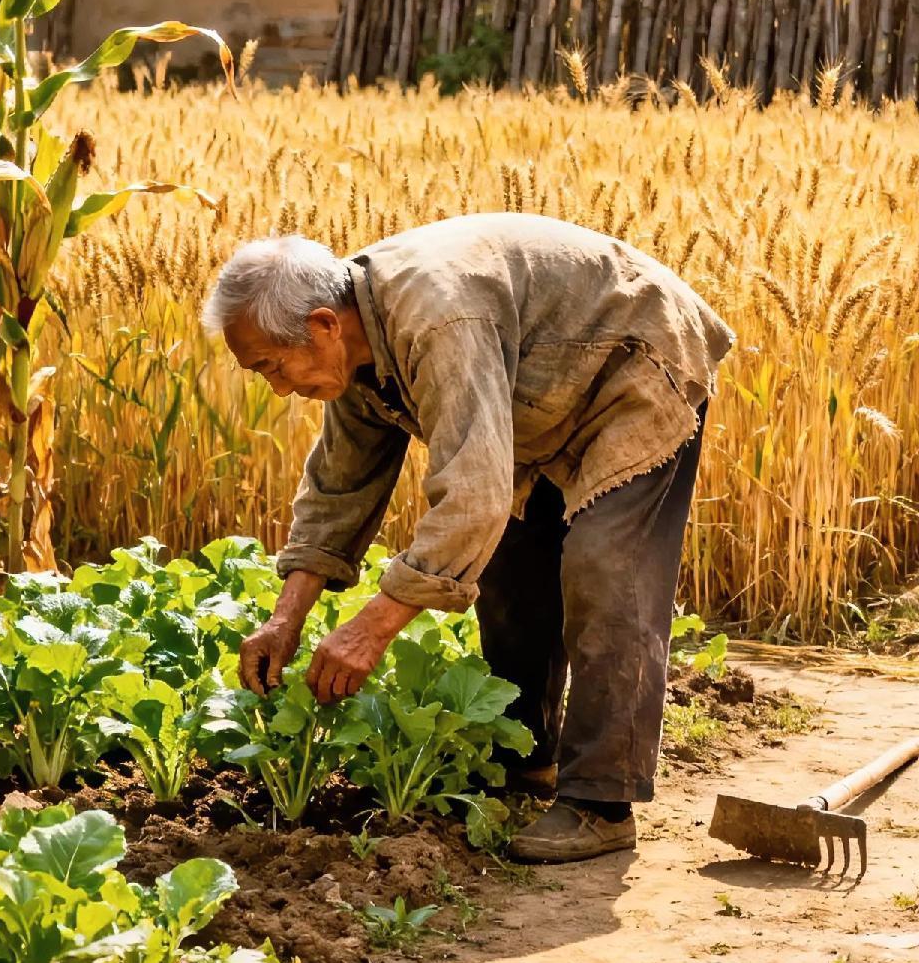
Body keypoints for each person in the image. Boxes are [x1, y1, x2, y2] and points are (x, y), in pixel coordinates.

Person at [202, 215, 732, 863]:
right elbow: (338, 491)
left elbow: (474, 496)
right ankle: (524, 757)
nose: (280, 388)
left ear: (321, 325)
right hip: (542, 402)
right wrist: (285, 620)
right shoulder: (355, 351)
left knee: (604, 568)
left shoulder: (436, 315)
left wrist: (372, 629)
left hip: (637, 365)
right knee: (508, 565)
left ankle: (600, 802)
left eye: (272, 367)